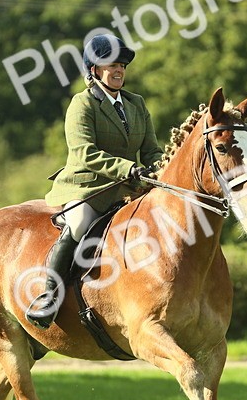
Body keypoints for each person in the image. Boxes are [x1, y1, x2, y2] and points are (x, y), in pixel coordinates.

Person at [25, 33, 164, 329]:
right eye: (111, 65)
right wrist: (128, 168)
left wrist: (159, 168)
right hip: (88, 187)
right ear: (94, 70)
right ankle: (49, 297)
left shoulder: (136, 104)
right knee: (77, 225)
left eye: (122, 65)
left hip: (128, 189)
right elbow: (85, 152)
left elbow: (151, 149)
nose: (119, 70)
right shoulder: (82, 103)